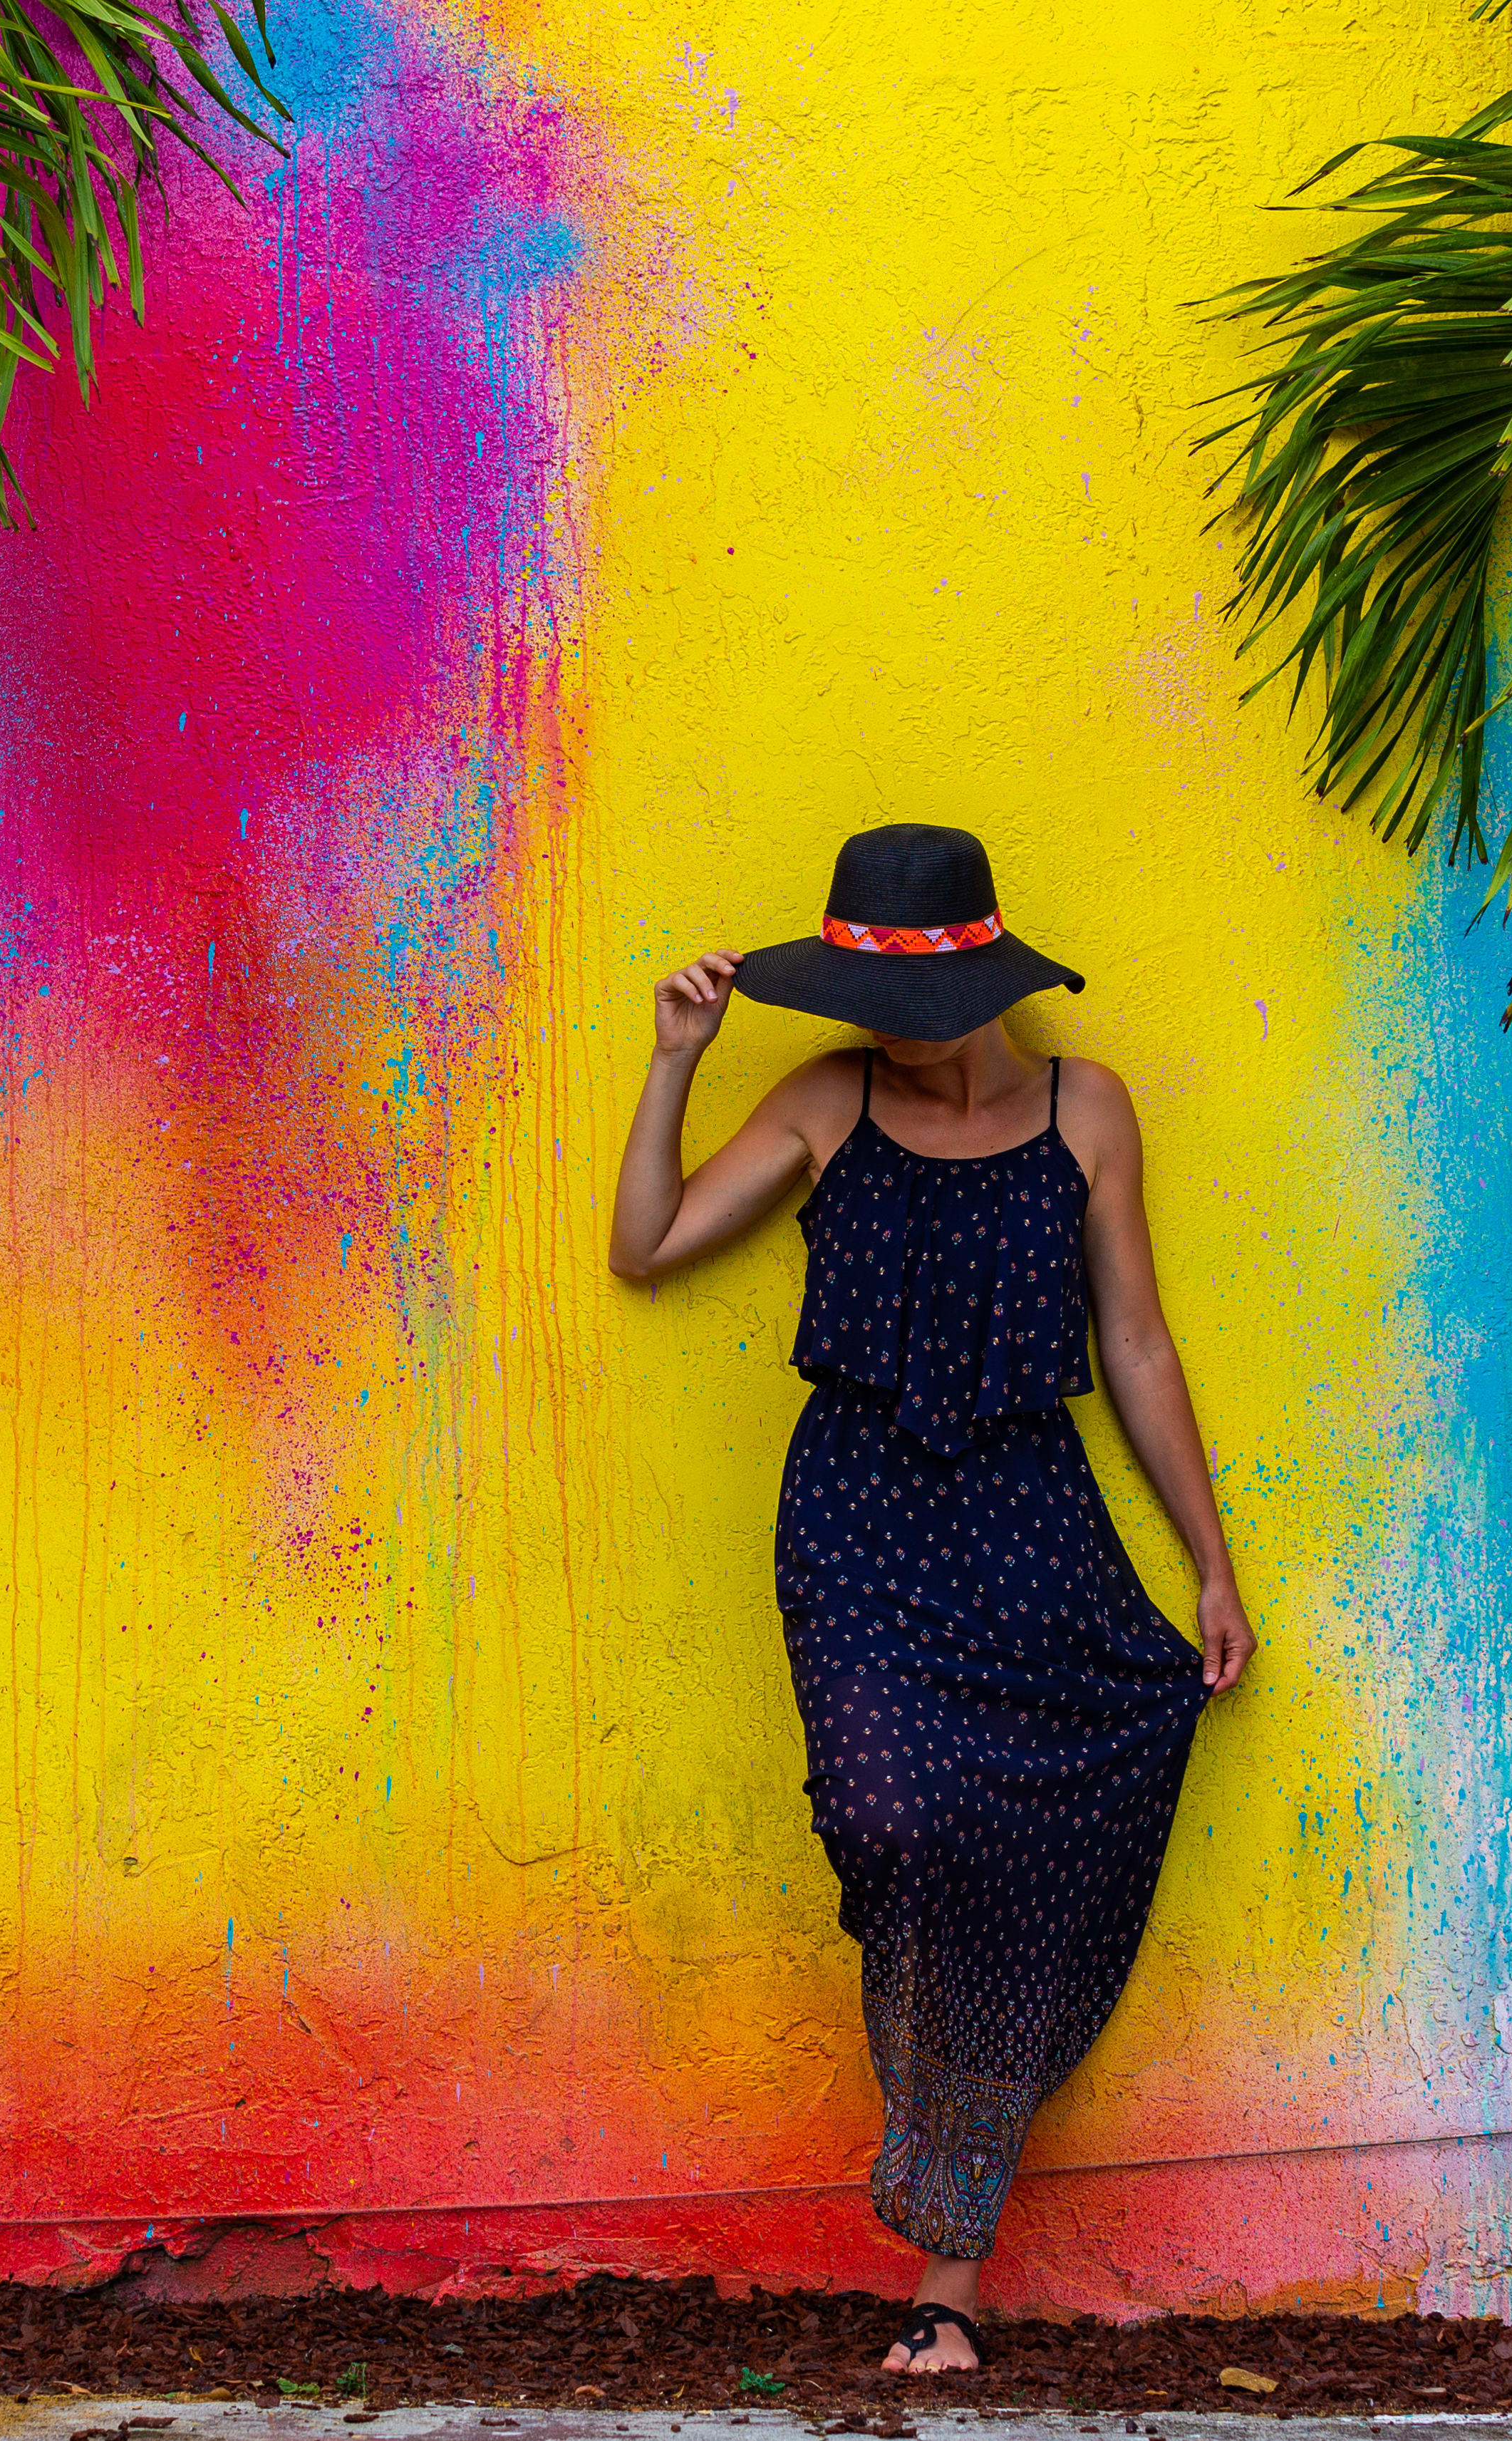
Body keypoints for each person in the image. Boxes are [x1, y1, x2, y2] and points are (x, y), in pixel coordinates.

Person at [608, 822, 1257, 2378]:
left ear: (982, 977)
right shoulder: (825, 1098)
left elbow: (1140, 1350)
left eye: (897, 994)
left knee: (1007, 1858)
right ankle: (940, 2175)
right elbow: (648, 1246)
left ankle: (946, 2286)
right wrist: (675, 1061)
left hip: (1031, 1518)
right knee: (897, 1823)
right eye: (858, 993)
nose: (878, 1023)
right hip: (858, 1520)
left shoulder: (1085, 1107)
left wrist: (1211, 1565)